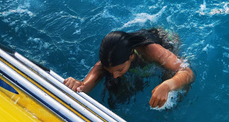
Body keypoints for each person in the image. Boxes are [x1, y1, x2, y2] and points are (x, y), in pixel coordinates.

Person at [63, 29, 194, 109]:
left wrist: (167, 85)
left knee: (172, 84)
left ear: (131, 56)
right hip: (130, 50)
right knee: (118, 92)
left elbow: (187, 72)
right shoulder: (111, 58)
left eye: (119, 70)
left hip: (166, 39)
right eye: (111, 70)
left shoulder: (152, 51)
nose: (115, 75)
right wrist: (80, 85)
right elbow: (91, 79)